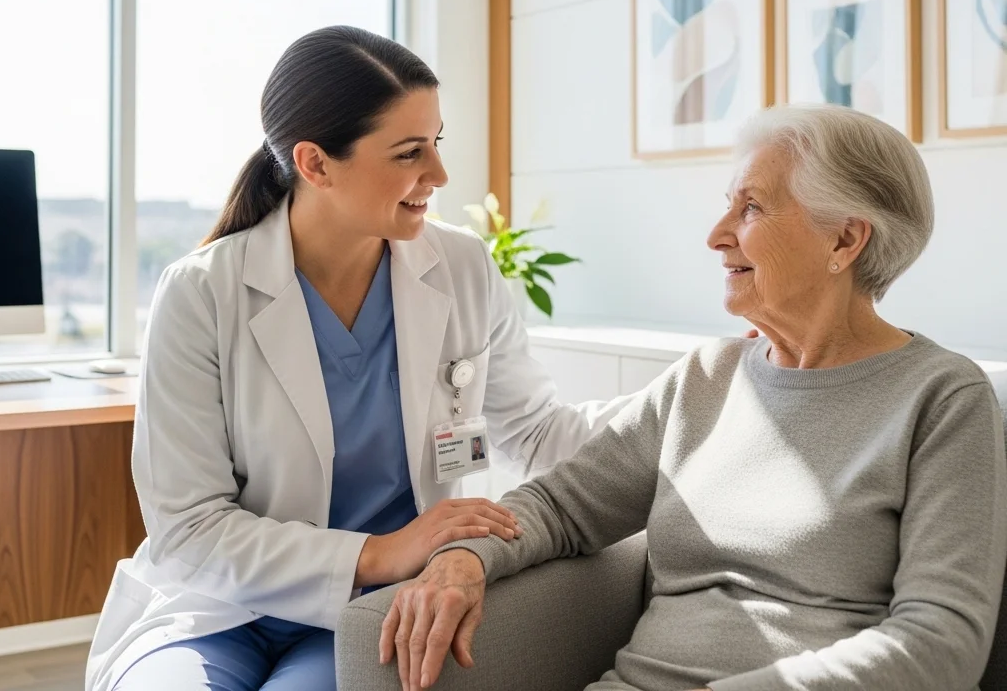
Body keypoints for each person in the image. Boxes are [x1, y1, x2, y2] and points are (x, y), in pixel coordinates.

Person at [85, 26, 643, 691]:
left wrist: (699, 396)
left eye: (436, 143)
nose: (438, 175)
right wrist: (377, 551)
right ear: (317, 164)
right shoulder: (202, 292)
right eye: (410, 153)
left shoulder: (461, 268)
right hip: (216, 606)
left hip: (367, 611)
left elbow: (537, 431)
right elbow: (189, 527)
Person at [382, 104, 1007, 691]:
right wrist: (465, 557)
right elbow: (563, 505)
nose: (716, 235)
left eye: (752, 208)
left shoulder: (944, 399)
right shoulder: (711, 374)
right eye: (726, 206)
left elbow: (941, 642)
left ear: (844, 242)